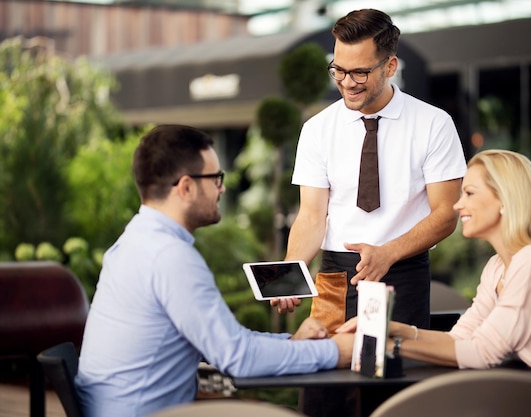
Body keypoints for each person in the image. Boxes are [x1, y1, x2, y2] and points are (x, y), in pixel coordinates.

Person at [74, 125, 354, 417]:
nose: (222, 188)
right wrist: (337, 352)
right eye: (216, 178)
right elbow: (238, 358)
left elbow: (224, 343)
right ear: (186, 187)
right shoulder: (169, 257)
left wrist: (292, 342)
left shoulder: (136, 241)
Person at [339, 149, 531, 417]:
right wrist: (393, 330)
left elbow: (481, 354)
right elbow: (460, 339)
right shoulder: (497, 267)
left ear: (505, 200)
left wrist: (384, 344)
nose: (457, 204)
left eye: (470, 193)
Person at [273, 7, 466, 336]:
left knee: (393, 380)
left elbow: (446, 214)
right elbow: (311, 215)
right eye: (338, 70)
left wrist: (388, 253)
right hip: (335, 276)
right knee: (326, 380)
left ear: (390, 66)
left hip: (403, 273)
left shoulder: (433, 124)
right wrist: (293, 271)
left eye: (360, 73)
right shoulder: (317, 129)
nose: (347, 83)